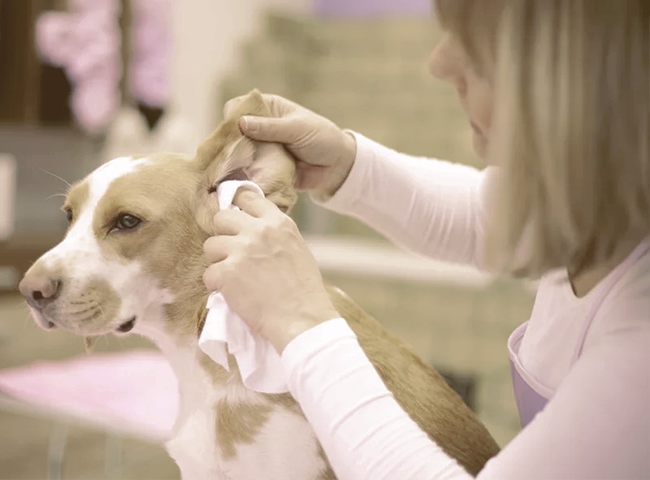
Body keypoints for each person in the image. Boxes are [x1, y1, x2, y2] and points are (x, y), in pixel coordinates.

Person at [202, 0, 650, 478]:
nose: (440, 64)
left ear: (573, 95)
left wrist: (300, 320)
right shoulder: (603, 204)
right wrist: (344, 165)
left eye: (478, 58)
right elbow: (482, 213)